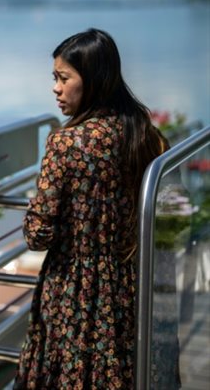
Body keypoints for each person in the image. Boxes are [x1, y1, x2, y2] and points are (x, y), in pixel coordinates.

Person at [14, 28, 169, 389]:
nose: (56, 87)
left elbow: (37, 235)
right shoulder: (138, 130)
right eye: (55, 78)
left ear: (93, 80)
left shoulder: (66, 142)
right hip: (125, 281)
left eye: (64, 78)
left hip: (74, 290)